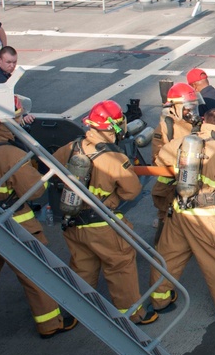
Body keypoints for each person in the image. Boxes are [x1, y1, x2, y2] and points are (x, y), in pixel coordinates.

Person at [0, 97, 77, 338]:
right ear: (5, 123)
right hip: (17, 223)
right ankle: (50, 323)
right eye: (16, 116)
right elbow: (36, 191)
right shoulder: (12, 153)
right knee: (35, 273)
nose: (20, 120)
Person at [52, 100, 157, 326]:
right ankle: (133, 314)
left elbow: (53, 171)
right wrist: (113, 198)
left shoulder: (71, 147)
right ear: (113, 127)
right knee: (120, 269)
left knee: (82, 268)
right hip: (103, 226)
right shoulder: (114, 158)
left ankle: (75, 312)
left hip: (73, 223)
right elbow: (132, 190)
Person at [149, 108, 215, 323]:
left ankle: (159, 299)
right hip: (208, 215)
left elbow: (161, 173)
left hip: (178, 211)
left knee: (169, 257)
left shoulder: (177, 144)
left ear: (203, 121)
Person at [150, 82, 201, 235]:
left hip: (191, 181)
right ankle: (160, 252)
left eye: (193, 107)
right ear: (176, 107)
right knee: (166, 219)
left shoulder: (196, 124)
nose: (190, 111)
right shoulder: (165, 127)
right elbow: (157, 158)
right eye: (187, 108)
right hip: (170, 185)